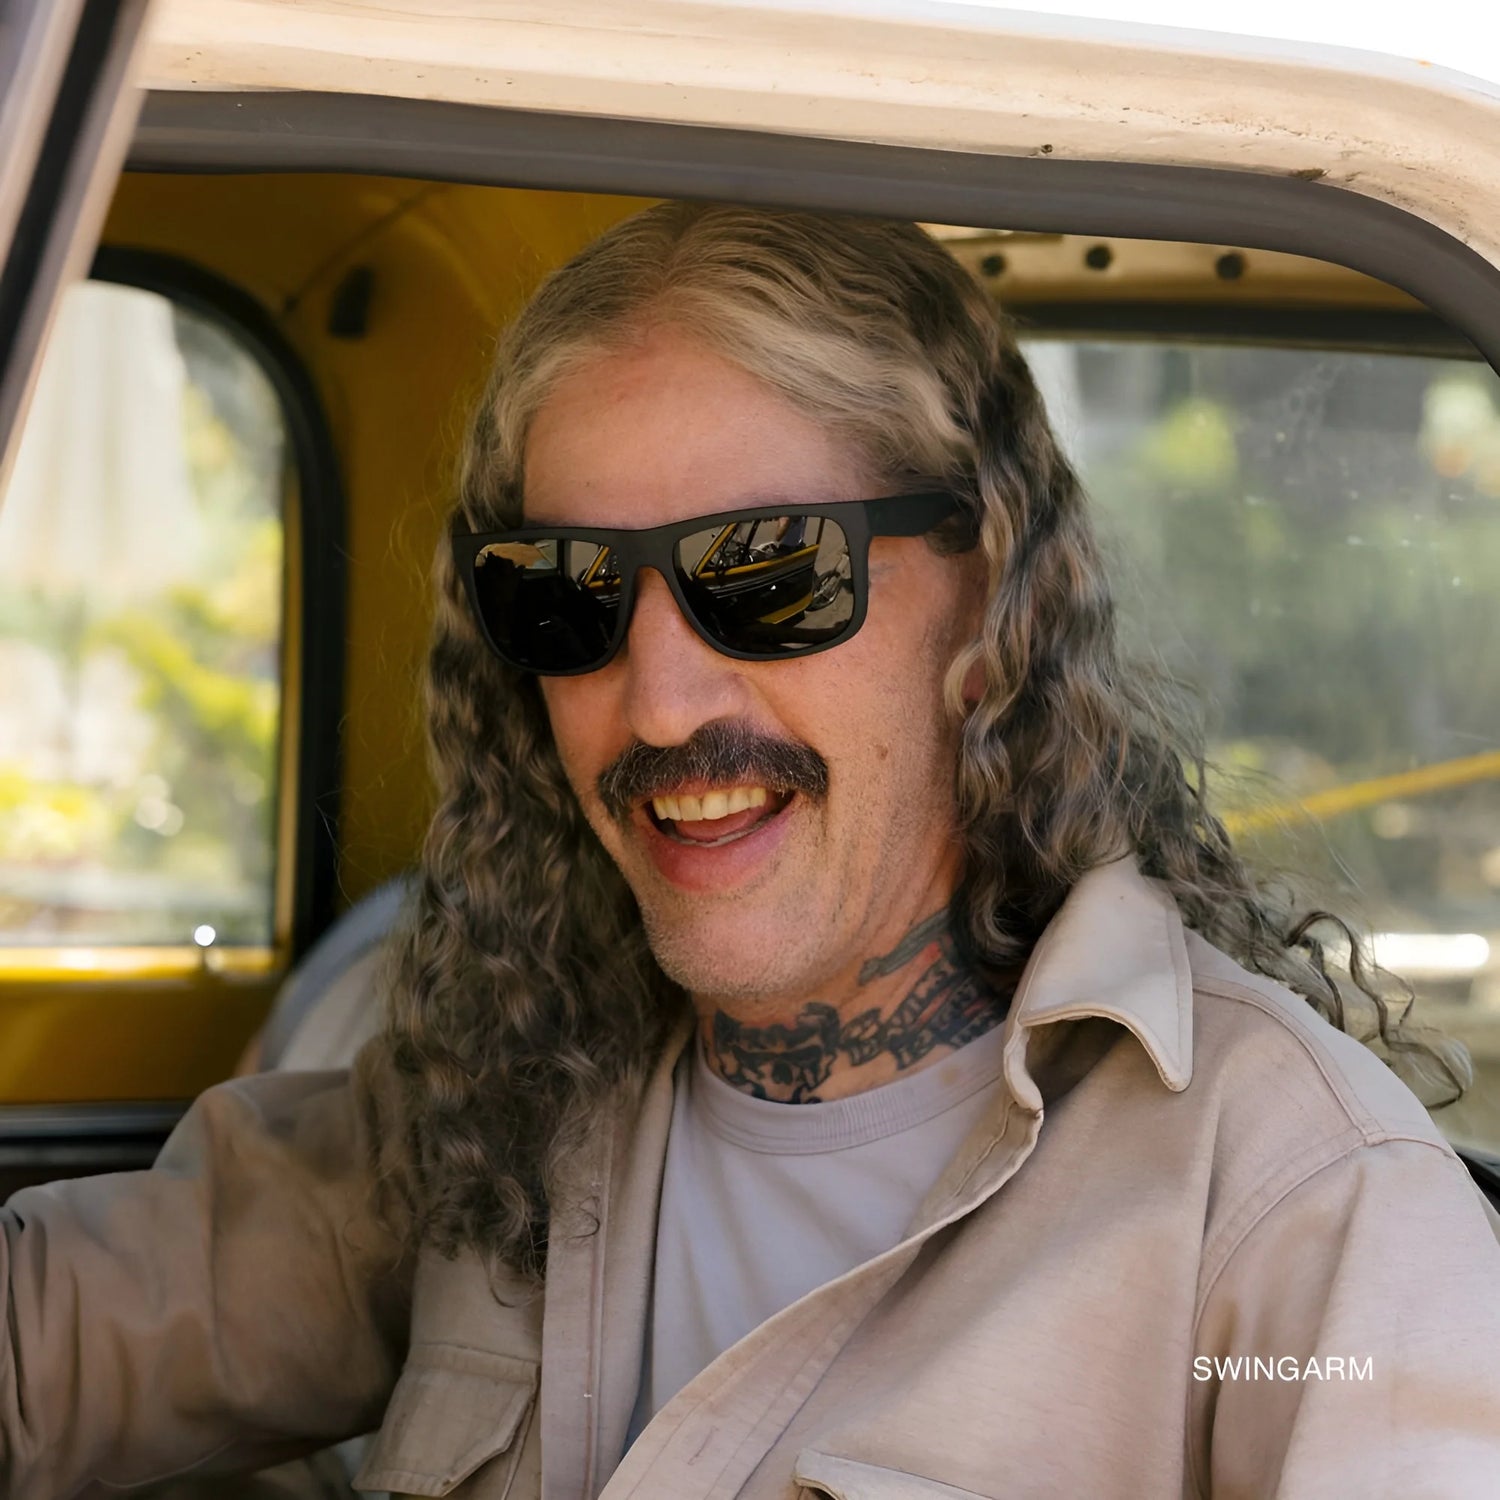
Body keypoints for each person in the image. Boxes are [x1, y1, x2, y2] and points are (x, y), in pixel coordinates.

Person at [4, 203, 1499, 1500]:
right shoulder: (508, 1097)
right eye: (567, 597)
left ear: (987, 606)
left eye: (768, 574)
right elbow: (55, 1342)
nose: (657, 703)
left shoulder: (1298, 1213)